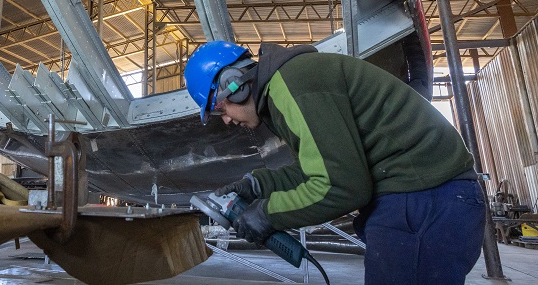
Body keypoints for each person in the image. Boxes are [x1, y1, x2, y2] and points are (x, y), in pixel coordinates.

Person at [184, 40, 485, 285]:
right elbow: (320, 167)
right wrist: (258, 185)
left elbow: (342, 186)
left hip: (423, 198)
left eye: (218, 109)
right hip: (424, 196)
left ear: (235, 85)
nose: (226, 120)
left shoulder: (293, 85)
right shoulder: (288, 85)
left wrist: (267, 214)